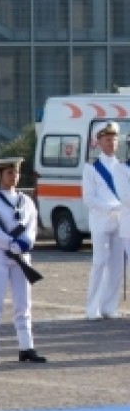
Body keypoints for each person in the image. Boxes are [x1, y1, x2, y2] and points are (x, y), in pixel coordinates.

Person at [0, 158, 45, 366]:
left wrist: (25, 242)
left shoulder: (25, 201)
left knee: (23, 303)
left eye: (16, 172)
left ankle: (26, 347)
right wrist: (10, 243)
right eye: (9, 172)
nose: (14, 176)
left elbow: (32, 225)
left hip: (21, 255)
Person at [82, 124, 127, 320]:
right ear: (99, 142)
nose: (112, 142)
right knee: (100, 262)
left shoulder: (123, 167)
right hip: (101, 220)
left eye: (114, 139)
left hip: (122, 220)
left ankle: (109, 306)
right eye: (107, 139)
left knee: (117, 265)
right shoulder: (91, 168)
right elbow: (89, 198)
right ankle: (93, 308)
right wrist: (111, 208)